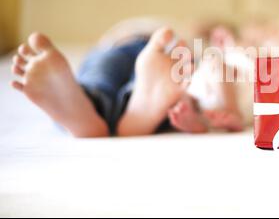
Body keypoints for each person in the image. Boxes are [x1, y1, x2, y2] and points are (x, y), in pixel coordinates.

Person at [10, 20, 243, 138]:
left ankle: (84, 109)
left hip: (115, 49)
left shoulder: (180, 44)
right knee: (175, 87)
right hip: (156, 55)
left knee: (98, 77)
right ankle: (139, 110)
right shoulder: (185, 42)